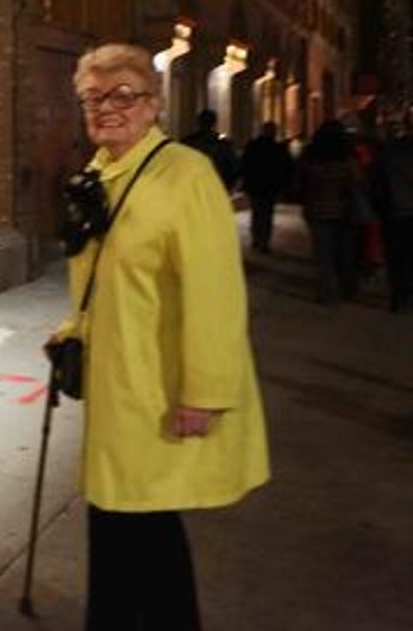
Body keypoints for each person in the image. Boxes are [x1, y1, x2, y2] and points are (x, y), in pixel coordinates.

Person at [49, 44, 269, 630]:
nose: (107, 107)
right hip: (114, 383)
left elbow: (216, 294)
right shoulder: (98, 172)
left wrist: (204, 391)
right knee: (117, 517)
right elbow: (103, 278)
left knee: (141, 522)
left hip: (157, 386)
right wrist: (74, 332)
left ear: (153, 104)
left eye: (124, 93)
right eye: (93, 97)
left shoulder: (185, 174)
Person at [293, 120, 361, 303]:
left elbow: (299, 181)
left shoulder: (310, 156)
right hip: (344, 210)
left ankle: (326, 293)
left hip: (317, 210)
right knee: (345, 253)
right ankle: (346, 289)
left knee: (323, 255)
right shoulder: (347, 157)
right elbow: (357, 182)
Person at [373, 113, 413, 311]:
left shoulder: (390, 152)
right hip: (399, 210)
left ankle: (398, 294)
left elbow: (377, 183)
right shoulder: (391, 152)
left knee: (396, 255)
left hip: (395, 211)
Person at [239, 121, 291, 252]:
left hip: (255, 185)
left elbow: (245, 164)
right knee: (267, 213)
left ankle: (257, 239)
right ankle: (264, 241)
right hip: (270, 186)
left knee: (257, 212)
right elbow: (285, 168)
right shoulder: (277, 148)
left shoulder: (253, 145)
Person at [181, 108, 240, 191]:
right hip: (216, 184)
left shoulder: (188, 141)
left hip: (195, 185)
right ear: (214, 123)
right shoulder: (222, 143)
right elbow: (233, 165)